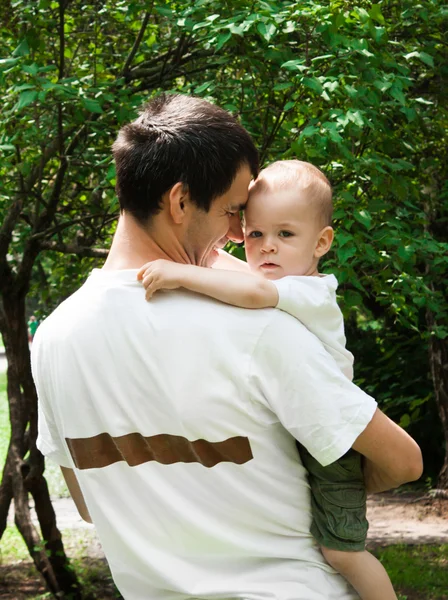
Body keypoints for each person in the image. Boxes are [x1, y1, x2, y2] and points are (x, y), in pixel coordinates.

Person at [31, 93, 423, 600]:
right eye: (234, 212)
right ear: (179, 201)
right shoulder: (261, 331)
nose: (241, 235)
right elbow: (405, 462)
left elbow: (90, 503)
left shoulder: (55, 339)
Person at [138, 159, 397, 600]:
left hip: (330, 443)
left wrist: (181, 273)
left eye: (286, 234)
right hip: (299, 429)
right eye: (256, 234)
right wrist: (222, 245)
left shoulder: (308, 290)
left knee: (343, 553)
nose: (267, 247)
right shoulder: (277, 276)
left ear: (322, 243)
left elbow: (254, 293)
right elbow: (231, 269)